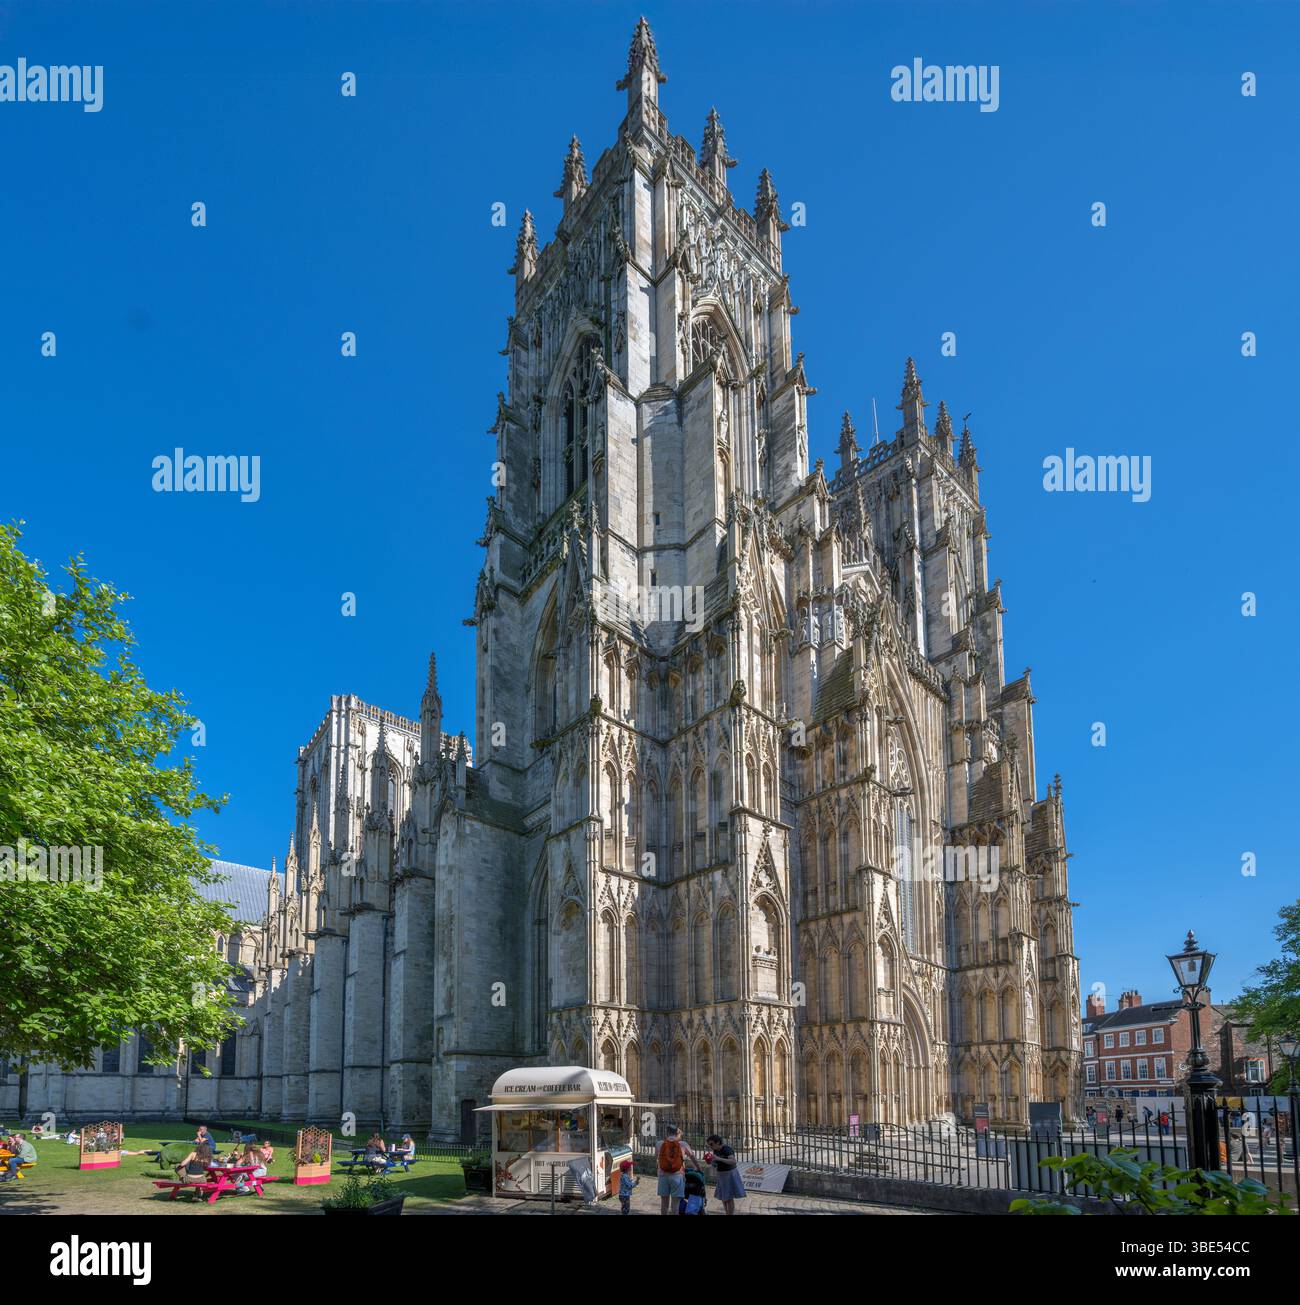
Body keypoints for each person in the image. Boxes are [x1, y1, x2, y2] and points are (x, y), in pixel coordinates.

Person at [655, 1125, 697, 1216]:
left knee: (664, 1203)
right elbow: (692, 1157)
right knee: (675, 1204)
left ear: (666, 1132)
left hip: (663, 1176)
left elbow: (657, 1158)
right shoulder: (683, 1144)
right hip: (677, 1176)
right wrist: (698, 1168)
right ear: (677, 1133)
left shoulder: (659, 1144)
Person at [705, 1133, 745, 1216]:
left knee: (729, 1198)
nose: (710, 1146)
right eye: (709, 1145)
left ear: (718, 1142)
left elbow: (733, 1161)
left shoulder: (727, 1149)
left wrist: (718, 1158)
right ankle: (727, 1213)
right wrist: (710, 1161)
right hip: (721, 1174)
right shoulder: (716, 1150)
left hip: (729, 1174)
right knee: (723, 1197)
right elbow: (716, 1163)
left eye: (711, 1144)